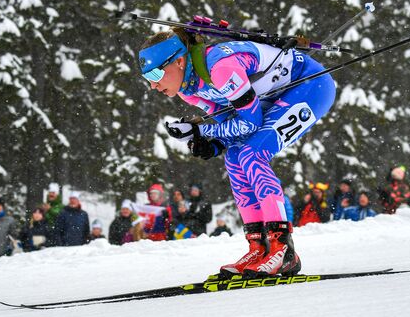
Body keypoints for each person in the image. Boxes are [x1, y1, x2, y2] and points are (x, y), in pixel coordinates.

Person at [139, 27, 336, 278]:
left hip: (310, 85)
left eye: (156, 73)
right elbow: (229, 122)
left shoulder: (220, 68)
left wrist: (205, 133)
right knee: (234, 157)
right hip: (272, 97)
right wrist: (212, 141)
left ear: (179, 61)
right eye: (148, 78)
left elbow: (249, 123)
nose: (153, 85)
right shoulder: (187, 89)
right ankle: (259, 246)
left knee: (252, 154)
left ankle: (283, 249)